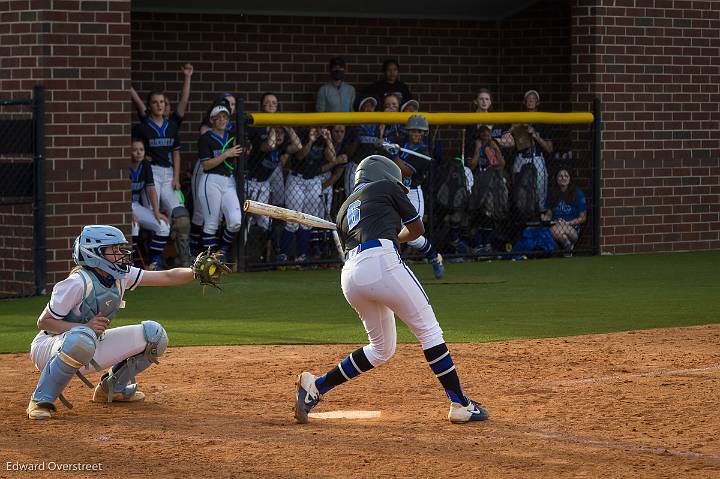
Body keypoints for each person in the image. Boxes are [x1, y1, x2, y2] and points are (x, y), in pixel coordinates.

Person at [293, 155, 489, 425]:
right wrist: (395, 237)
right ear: (384, 176)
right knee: (429, 331)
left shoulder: (343, 211)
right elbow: (417, 229)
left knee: (381, 349)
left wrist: (388, 236)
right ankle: (460, 403)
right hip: (381, 262)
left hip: (350, 276)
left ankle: (316, 388)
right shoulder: (386, 188)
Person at [26, 225, 198, 420]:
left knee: (155, 336)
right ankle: (40, 400)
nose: (121, 254)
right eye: (114, 250)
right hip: (50, 348)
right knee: (81, 338)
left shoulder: (120, 275)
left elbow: (166, 276)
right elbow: (44, 322)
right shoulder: (77, 282)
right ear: (94, 253)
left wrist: (196, 272)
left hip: (88, 342)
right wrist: (85, 327)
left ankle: (112, 389)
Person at [134, 85, 193, 267]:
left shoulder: (172, 126)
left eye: (162, 102)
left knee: (181, 217)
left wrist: (176, 177)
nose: (159, 105)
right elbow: (136, 150)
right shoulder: (143, 127)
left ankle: (183, 259)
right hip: (151, 175)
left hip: (169, 176)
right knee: (154, 218)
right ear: (149, 106)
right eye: (155, 102)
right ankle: (153, 260)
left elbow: (176, 153)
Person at [388, 114, 444, 279]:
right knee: (390, 230)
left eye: (419, 131)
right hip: (394, 190)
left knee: (412, 235)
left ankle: (434, 256)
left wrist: (393, 156)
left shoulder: (423, 152)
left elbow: (406, 171)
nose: (416, 134)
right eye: (413, 130)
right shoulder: (400, 142)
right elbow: (384, 146)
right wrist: (384, 145)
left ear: (423, 133)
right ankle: (392, 267)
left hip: (411, 193)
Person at [278, 127, 345, 262]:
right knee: (292, 219)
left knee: (307, 221)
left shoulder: (325, 138)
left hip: (314, 181)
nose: (319, 129)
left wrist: (328, 140)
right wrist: (311, 140)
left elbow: (332, 158)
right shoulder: (304, 133)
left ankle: (302, 255)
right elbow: (300, 155)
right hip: (296, 179)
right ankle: (282, 254)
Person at [190, 93, 238, 255]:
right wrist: (226, 154)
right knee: (211, 223)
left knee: (235, 221)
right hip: (211, 180)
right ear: (212, 120)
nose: (222, 120)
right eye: (218, 117)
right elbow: (206, 164)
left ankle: (222, 250)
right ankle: (208, 259)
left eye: (225, 117)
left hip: (229, 180)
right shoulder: (206, 138)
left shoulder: (232, 136)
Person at [505, 90, 554, 210]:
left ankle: (539, 215)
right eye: (528, 99)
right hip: (521, 158)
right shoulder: (519, 119)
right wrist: (512, 129)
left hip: (537, 157)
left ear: (537, 102)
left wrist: (536, 136)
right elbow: (507, 143)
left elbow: (550, 149)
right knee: (519, 190)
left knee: (540, 189)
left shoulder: (543, 120)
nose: (530, 101)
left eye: (533, 99)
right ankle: (521, 217)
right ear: (524, 102)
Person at [129, 139, 170, 270]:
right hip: (123, 206)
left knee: (163, 226)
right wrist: (128, 213)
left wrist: (156, 211)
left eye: (141, 150)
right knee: (134, 226)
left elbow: (151, 189)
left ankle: (152, 264)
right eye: (135, 150)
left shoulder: (146, 165)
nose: (138, 153)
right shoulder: (125, 165)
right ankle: (133, 266)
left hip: (135, 204)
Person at [542, 168, 587, 254]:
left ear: (570, 178)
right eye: (560, 176)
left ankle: (566, 245)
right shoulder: (552, 193)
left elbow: (583, 217)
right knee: (557, 231)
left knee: (555, 230)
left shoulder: (578, 193)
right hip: (556, 224)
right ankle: (568, 245)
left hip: (573, 227)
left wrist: (567, 223)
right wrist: (546, 217)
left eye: (566, 176)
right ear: (556, 179)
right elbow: (549, 213)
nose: (563, 178)